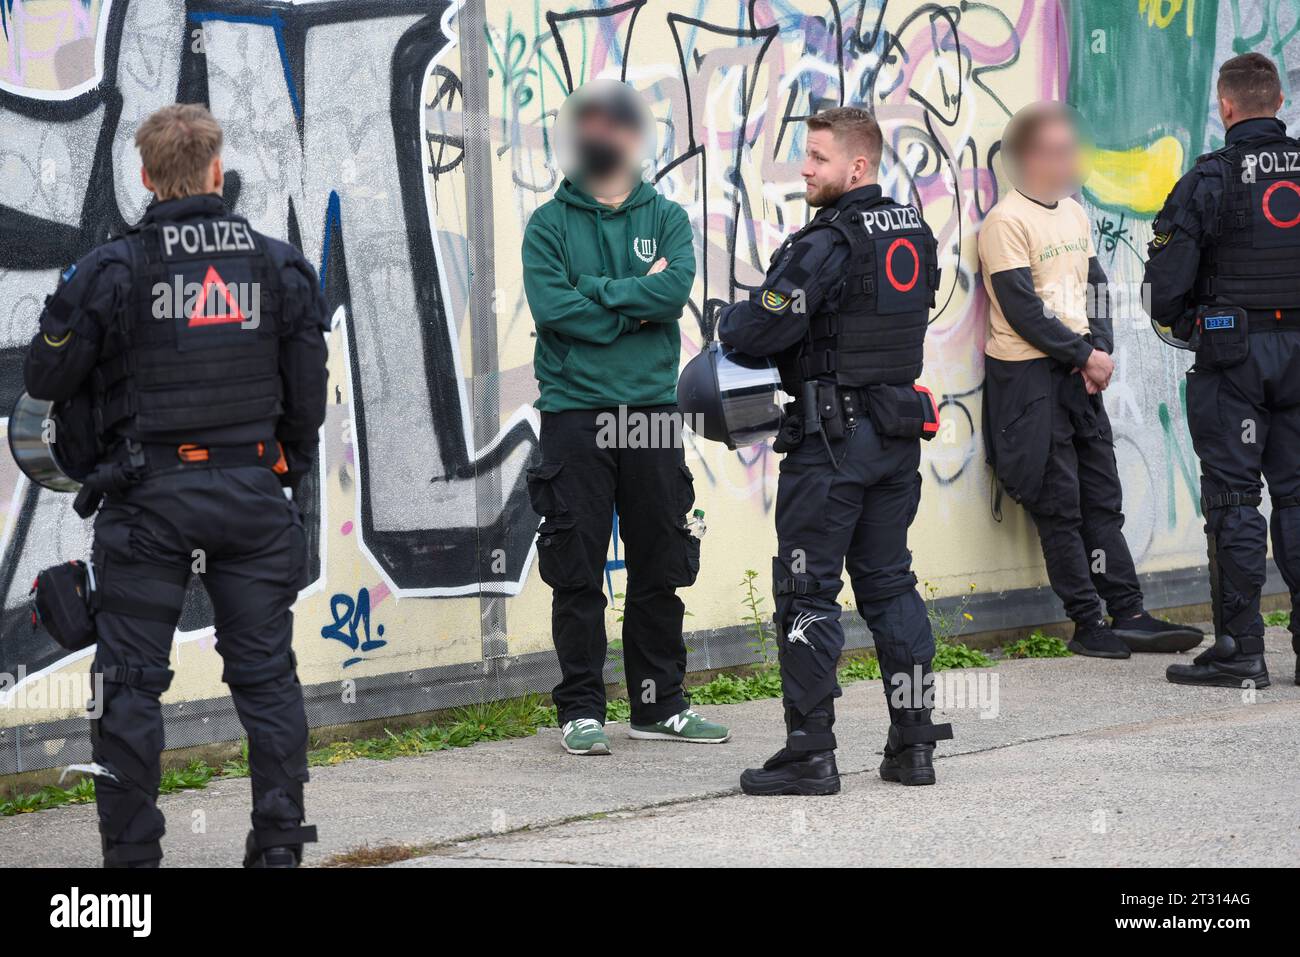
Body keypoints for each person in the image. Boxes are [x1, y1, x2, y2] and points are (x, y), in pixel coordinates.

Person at [23, 104, 330, 867]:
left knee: (127, 686)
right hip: (253, 497)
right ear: (217, 172)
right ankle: (281, 849)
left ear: (145, 177)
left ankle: (132, 866)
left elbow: (44, 374)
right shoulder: (277, 263)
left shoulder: (112, 269)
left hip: (147, 501)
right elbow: (308, 403)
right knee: (267, 681)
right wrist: (276, 470)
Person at [720, 106, 949, 795]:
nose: (805, 170)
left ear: (857, 165)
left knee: (806, 592)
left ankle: (810, 752)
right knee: (890, 584)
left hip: (833, 444)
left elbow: (760, 327)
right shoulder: (915, 231)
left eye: (817, 158)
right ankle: (914, 746)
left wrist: (732, 320)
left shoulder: (827, 242)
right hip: (895, 436)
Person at [521, 80, 729, 755]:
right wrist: (630, 304)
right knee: (576, 567)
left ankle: (657, 704)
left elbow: (671, 294)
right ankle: (581, 709)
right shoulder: (548, 226)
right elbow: (556, 310)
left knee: (659, 560)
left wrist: (600, 298)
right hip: (574, 413)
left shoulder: (666, 217)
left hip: (649, 412)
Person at [978, 102, 1203, 660]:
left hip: (1079, 373)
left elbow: (1095, 284)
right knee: (1060, 506)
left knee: (1102, 498)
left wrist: (1100, 350)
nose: (1069, 159)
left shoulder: (1073, 212)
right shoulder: (1005, 222)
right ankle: (1086, 623)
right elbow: (1022, 309)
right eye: (1057, 150)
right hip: (1030, 380)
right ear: (1028, 158)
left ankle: (1127, 612)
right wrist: (1084, 355)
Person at [1143, 52, 1300, 688]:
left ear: (1225, 105)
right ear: (1281, 102)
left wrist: (1195, 329)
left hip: (1233, 359)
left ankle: (1242, 650)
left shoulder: (1212, 178)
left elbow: (1165, 287)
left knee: (1235, 501)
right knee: (1297, 495)